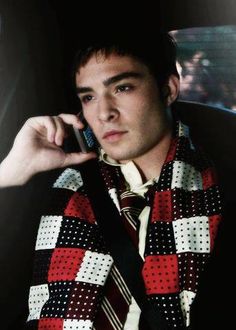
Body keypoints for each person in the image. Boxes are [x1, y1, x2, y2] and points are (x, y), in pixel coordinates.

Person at [0, 33, 223, 330]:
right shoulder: (57, 187)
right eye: (88, 97)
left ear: (168, 90)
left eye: (122, 87)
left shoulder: (219, 191)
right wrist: (8, 172)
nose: (104, 113)